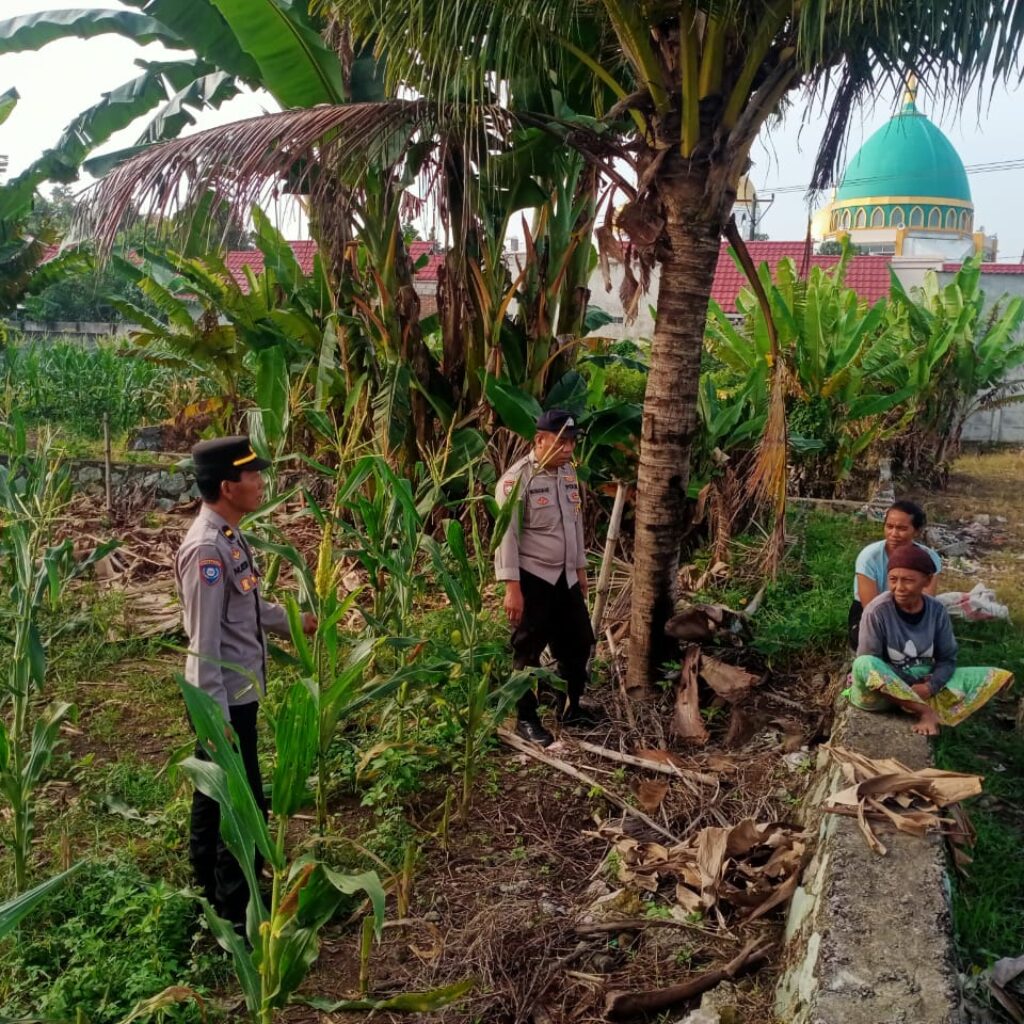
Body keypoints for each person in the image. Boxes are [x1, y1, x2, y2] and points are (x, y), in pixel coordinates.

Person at [174, 435, 316, 925]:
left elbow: (248, 608)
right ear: (229, 485)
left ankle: (216, 889)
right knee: (239, 802)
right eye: (253, 475)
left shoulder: (231, 537)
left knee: (222, 795)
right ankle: (234, 910)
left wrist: (296, 620)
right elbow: (204, 643)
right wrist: (213, 717)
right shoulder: (207, 551)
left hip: (240, 696)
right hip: (224, 702)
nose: (261, 483)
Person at [495, 409, 595, 746]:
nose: (569, 449)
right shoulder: (516, 480)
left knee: (580, 641)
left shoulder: (567, 474)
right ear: (540, 440)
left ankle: (571, 705)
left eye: (572, 442)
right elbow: (506, 537)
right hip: (532, 578)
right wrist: (512, 588)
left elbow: (575, 526)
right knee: (528, 650)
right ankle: (525, 718)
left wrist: (580, 571)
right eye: (561, 442)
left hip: (565, 578)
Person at [850, 544, 1012, 736]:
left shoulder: (937, 610)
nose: (899, 588)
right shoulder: (877, 611)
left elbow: (947, 659)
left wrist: (930, 686)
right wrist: (911, 685)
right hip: (883, 694)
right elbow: (871, 661)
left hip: (924, 685)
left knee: (997, 676)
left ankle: (919, 704)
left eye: (908, 580)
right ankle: (926, 711)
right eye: (893, 580)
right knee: (863, 663)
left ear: (926, 581)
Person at [849, 500, 941, 649]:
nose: (894, 534)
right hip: (873, 614)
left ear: (916, 531)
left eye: (902, 528)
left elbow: (927, 600)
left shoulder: (929, 558)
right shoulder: (869, 557)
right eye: (889, 526)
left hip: (911, 611)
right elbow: (870, 607)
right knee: (871, 642)